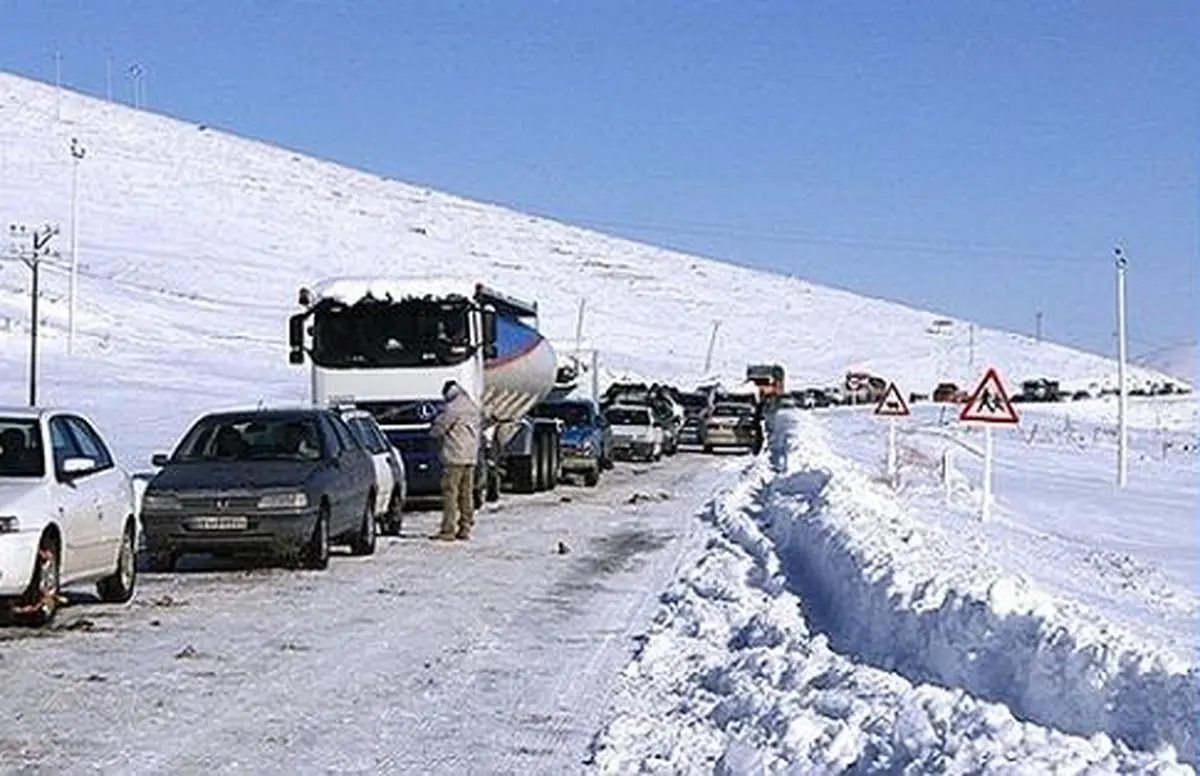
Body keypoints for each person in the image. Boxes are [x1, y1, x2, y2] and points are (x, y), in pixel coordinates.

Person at [429, 379, 482, 541]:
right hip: (470, 456)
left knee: (450, 492)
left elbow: (439, 429)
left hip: (454, 456)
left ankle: (448, 529)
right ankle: (465, 526)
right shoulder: (472, 406)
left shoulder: (452, 408)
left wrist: (433, 426)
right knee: (466, 493)